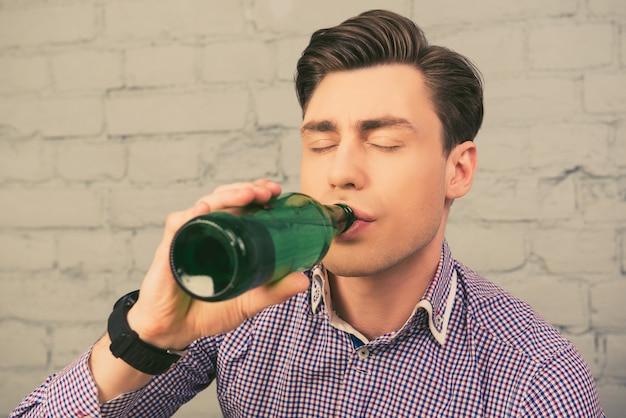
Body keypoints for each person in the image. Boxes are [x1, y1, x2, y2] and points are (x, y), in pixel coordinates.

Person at [11, 9, 604, 417]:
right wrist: (146, 337)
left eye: (386, 141)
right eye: (321, 143)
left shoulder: (533, 378)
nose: (340, 171)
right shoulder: (243, 306)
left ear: (459, 169)